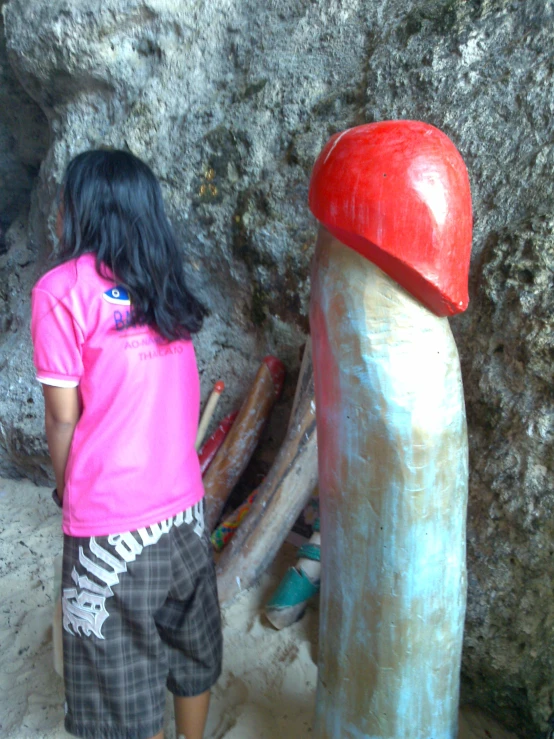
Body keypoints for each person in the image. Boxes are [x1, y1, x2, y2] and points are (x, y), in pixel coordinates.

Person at [30, 149, 222, 739]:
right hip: (186, 511)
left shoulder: (61, 291)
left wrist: (68, 490)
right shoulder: (164, 284)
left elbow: (62, 421)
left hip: (112, 524)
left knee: (119, 680)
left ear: (76, 209)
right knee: (190, 647)